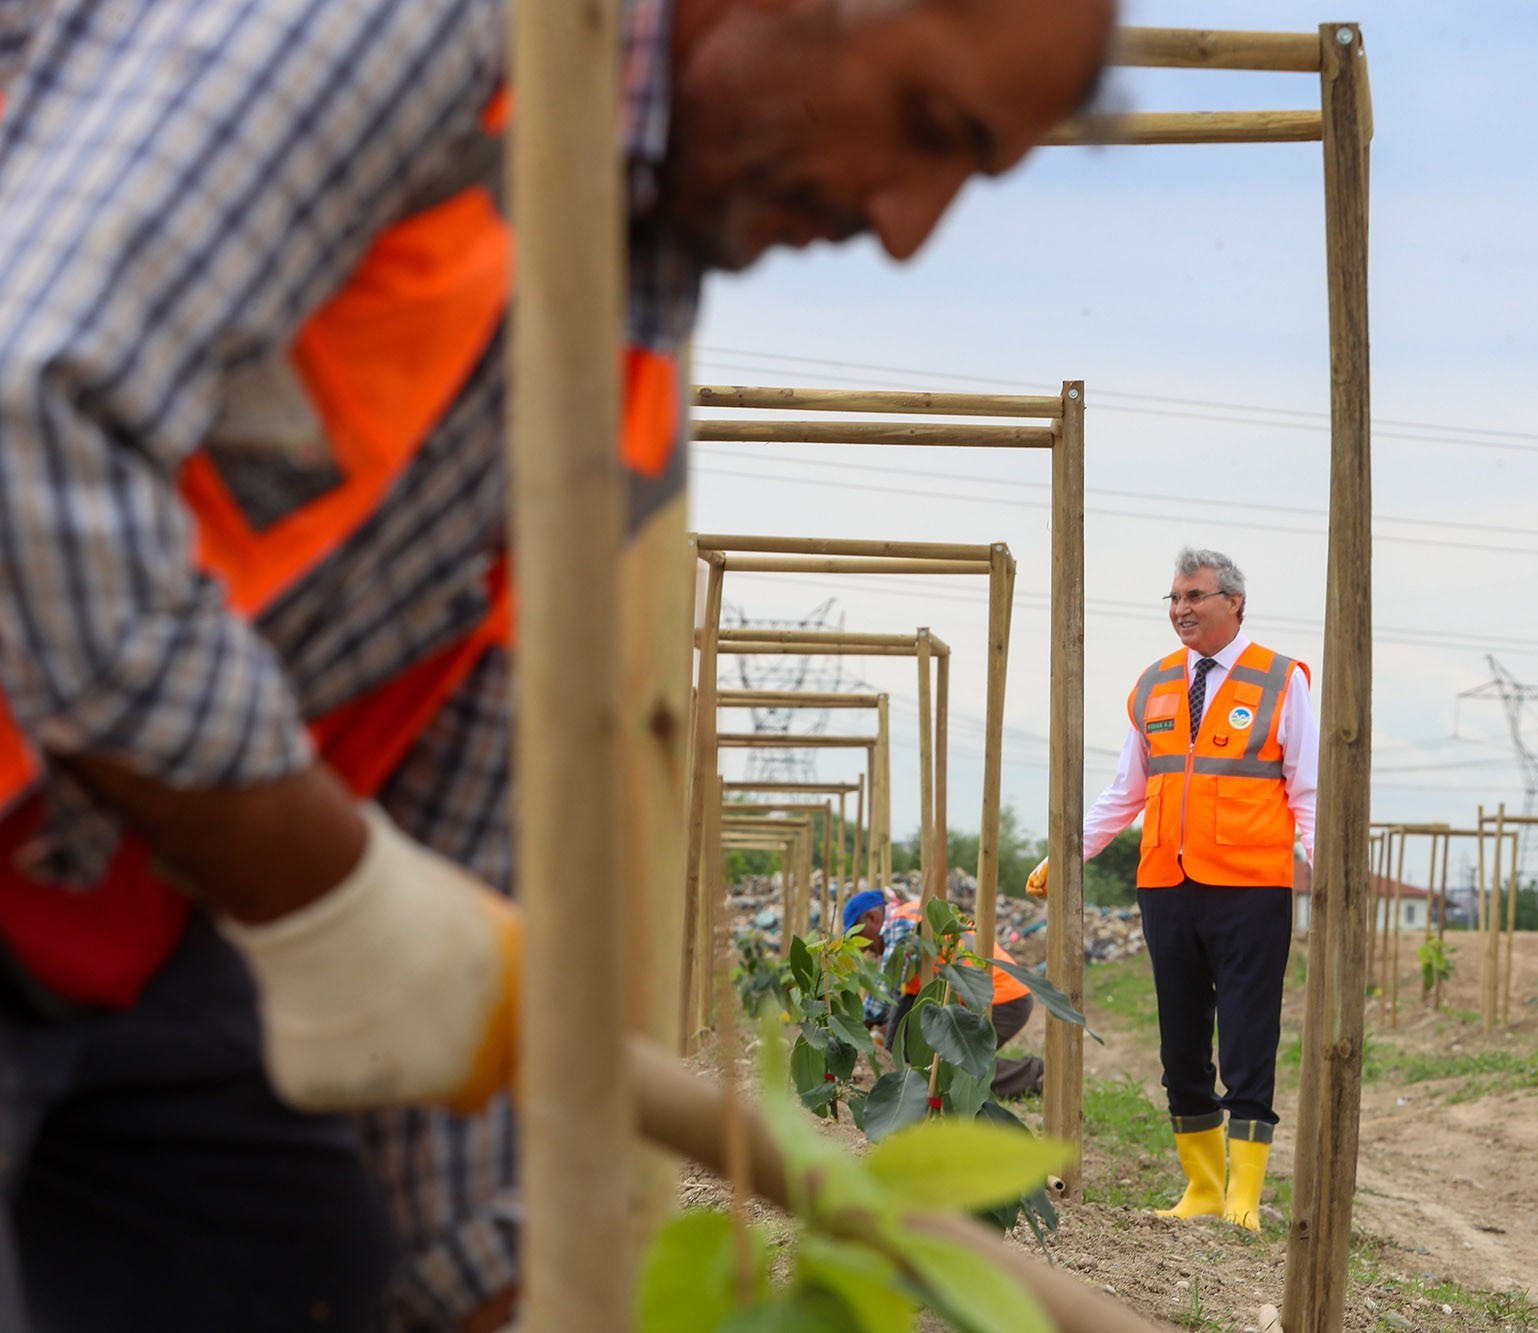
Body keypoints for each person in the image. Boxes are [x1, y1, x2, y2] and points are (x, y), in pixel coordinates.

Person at [0, 0, 1114, 1327]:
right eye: (925, 128)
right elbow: (27, 427)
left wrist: (507, 1282)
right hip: (127, 851)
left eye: (968, 177)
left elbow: (459, 836)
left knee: (300, 1266)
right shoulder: (415, 32)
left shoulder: (615, 358)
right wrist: (331, 887)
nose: (906, 226)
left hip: (116, 910)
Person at [1026, 548, 1316, 1231]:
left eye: (1195, 596)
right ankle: (1203, 1186)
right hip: (1167, 886)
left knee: (1248, 1039)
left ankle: (1244, 1196)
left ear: (1234, 603)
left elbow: (1307, 790)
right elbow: (1125, 791)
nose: (1181, 609)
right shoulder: (1155, 684)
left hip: (1251, 889)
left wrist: (1328, 878)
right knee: (1181, 1045)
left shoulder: (1281, 680)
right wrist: (1064, 854)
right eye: (1175, 598)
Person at [850, 892, 1043, 1098]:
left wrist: (856, 1030)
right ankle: (1035, 1074)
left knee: (952, 1069)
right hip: (998, 994)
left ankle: (1037, 1075)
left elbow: (889, 984)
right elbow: (904, 998)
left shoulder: (901, 922)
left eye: (858, 936)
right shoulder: (912, 918)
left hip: (1001, 998)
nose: (863, 948)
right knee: (951, 1066)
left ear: (872, 918)